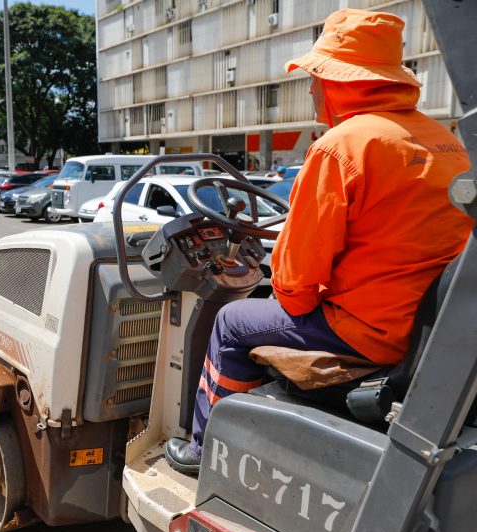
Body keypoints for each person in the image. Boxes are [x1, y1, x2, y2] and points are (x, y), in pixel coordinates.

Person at [164, 8, 474, 475]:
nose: (311, 89)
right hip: (426, 325)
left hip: (367, 329)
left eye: (315, 78)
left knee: (231, 320)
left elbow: (296, 280)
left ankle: (204, 450)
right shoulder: (445, 140)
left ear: (339, 81)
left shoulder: (342, 146)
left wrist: (279, 289)